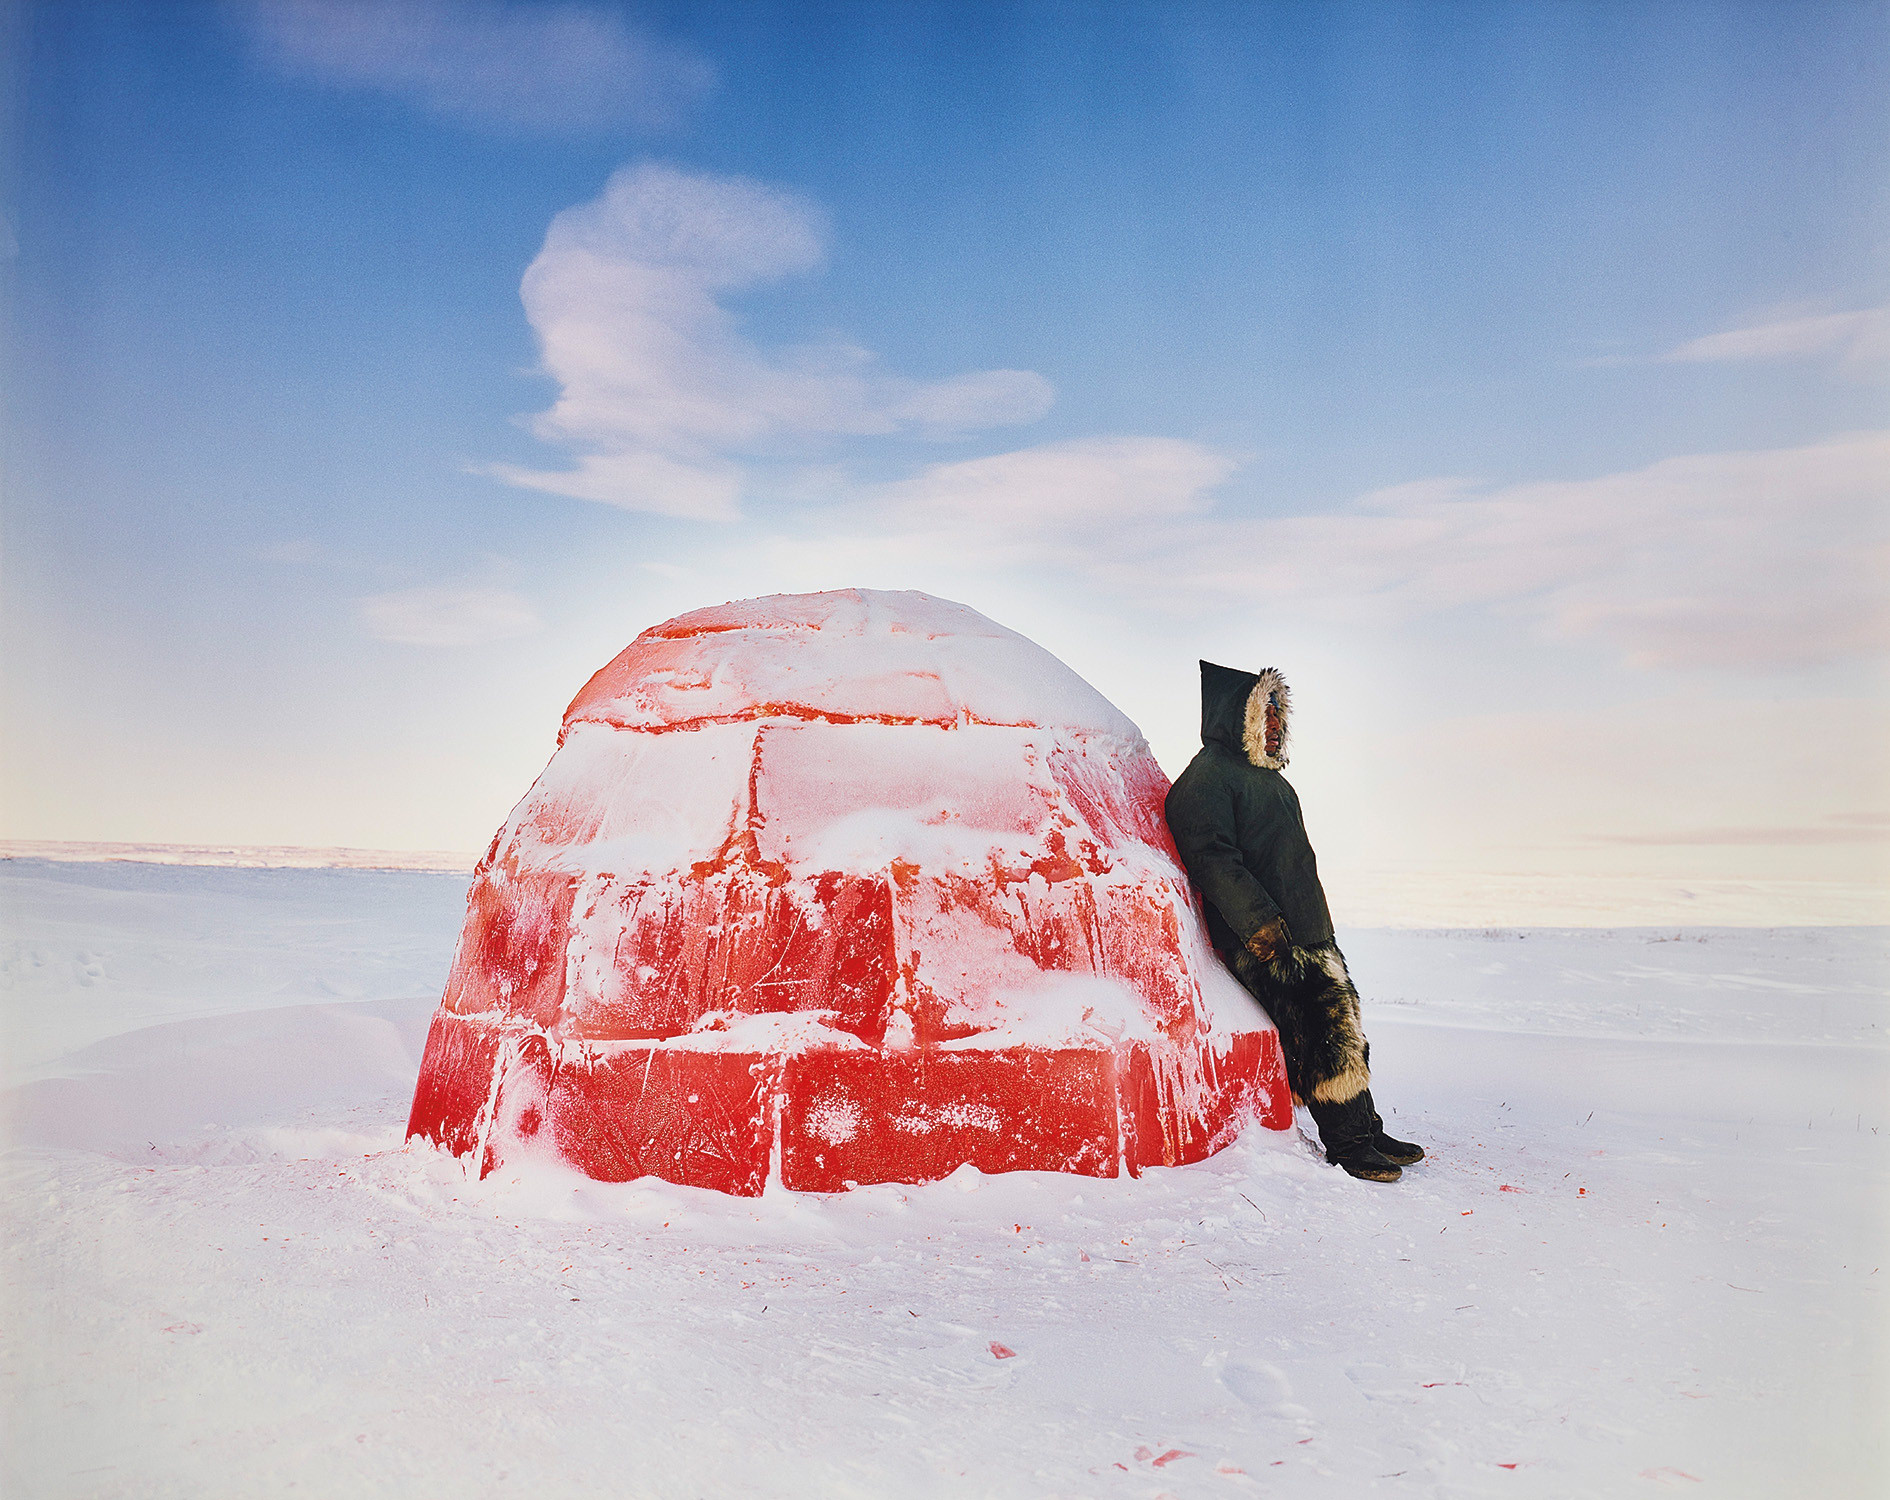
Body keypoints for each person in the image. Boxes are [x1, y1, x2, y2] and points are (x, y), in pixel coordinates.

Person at [1164, 661, 1423, 1183]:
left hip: (1307, 930)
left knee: (1342, 1024)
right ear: (1236, 716)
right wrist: (1260, 926)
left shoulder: (1267, 780)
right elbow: (1213, 859)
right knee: (1318, 1033)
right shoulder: (1206, 780)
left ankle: (1365, 1126)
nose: (1276, 722)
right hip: (1267, 937)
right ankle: (1348, 1144)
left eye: (1280, 712)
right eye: (1267, 710)